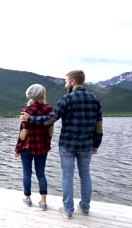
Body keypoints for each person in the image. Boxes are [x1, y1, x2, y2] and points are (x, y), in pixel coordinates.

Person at [21, 70, 103, 219]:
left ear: (72, 82)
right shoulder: (94, 99)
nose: (65, 84)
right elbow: (99, 126)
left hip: (67, 145)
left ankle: (68, 210)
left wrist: (30, 118)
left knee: (67, 176)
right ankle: (85, 207)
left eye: (66, 81)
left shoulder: (67, 99)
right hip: (86, 145)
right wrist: (96, 144)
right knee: (85, 176)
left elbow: (49, 120)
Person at [15, 84, 54, 211]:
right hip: (42, 147)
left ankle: (28, 199)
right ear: (43, 94)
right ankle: (43, 201)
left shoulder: (26, 111)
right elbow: (50, 130)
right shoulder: (49, 110)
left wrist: (17, 149)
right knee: (41, 173)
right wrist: (47, 143)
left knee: (27, 173)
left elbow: (23, 132)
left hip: (27, 147)